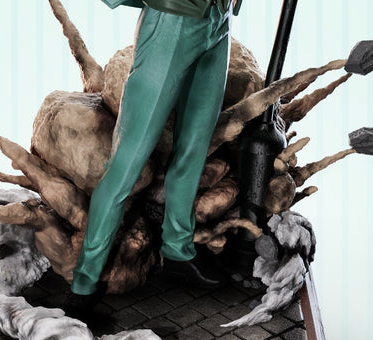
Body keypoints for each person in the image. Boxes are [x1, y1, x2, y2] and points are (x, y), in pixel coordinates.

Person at [67, 0, 242, 316]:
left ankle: (178, 248)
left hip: (219, 19)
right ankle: (85, 280)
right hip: (171, 20)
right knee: (128, 161)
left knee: (194, 145)